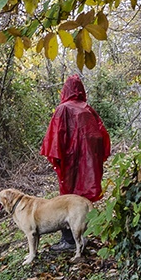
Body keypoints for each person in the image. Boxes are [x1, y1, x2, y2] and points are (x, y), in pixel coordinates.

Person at [40, 74, 111, 251]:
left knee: (67, 198)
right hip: (88, 163)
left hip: (71, 162)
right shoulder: (88, 109)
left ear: (66, 90)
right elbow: (101, 137)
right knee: (81, 199)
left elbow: (56, 139)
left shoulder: (63, 109)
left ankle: (70, 240)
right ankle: (81, 235)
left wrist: (59, 158)